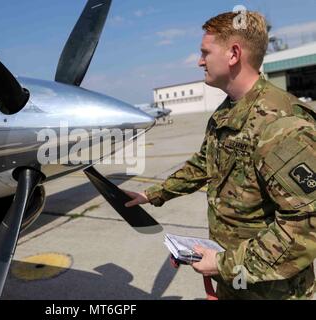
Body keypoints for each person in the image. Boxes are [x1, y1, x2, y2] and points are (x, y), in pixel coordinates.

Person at [125, 11, 316, 300]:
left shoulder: (281, 124)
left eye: (205, 52)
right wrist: (151, 194)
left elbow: (305, 225)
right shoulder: (227, 112)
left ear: (233, 54)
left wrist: (224, 264)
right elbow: (204, 164)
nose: (199, 61)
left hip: (272, 289)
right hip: (235, 279)